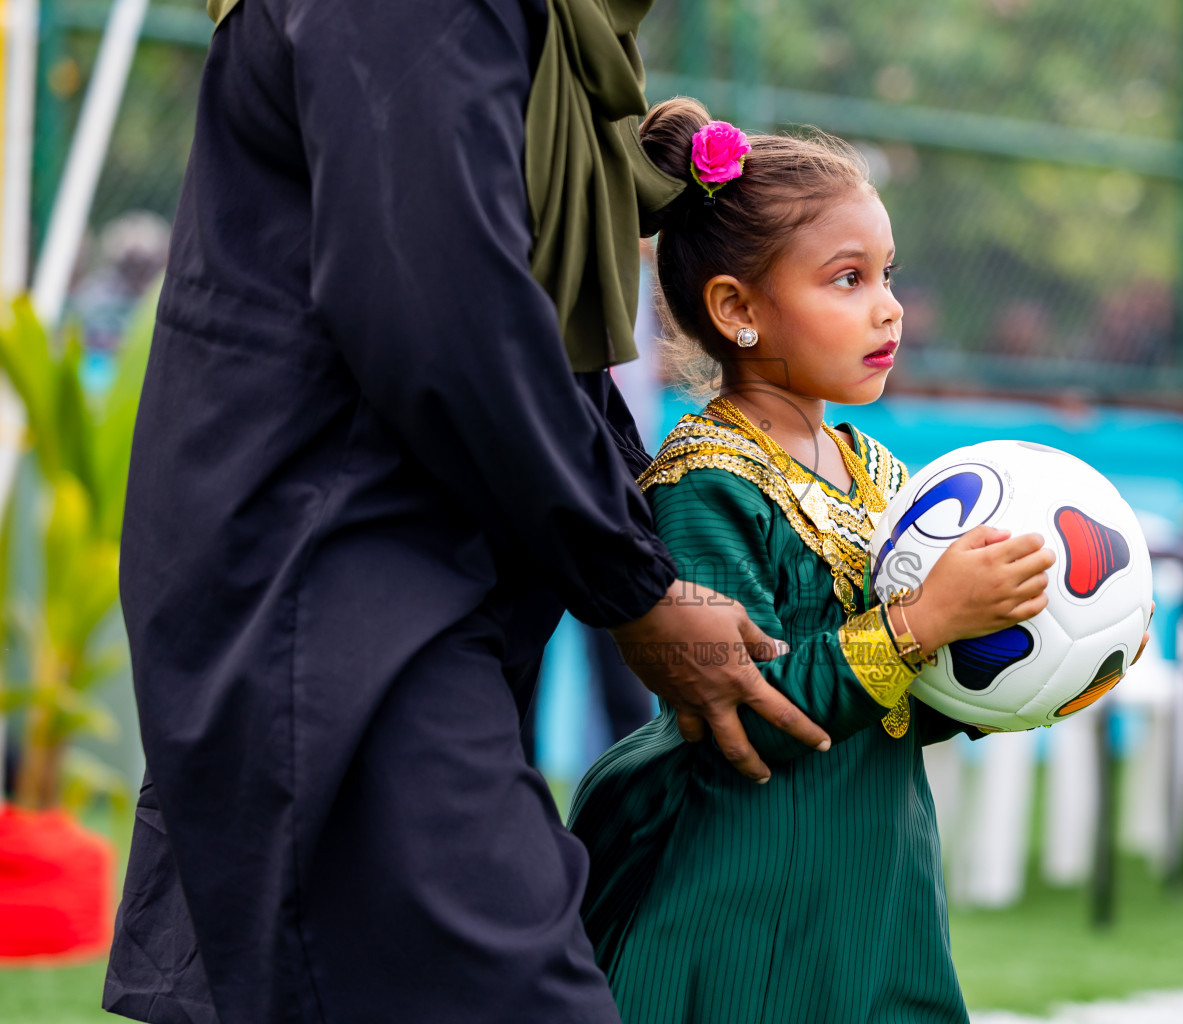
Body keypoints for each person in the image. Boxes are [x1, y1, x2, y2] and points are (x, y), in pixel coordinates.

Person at [103, 2, 829, 1022]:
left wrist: (642, 550)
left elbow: (509, 308)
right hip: (331, 577)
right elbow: (447, 306)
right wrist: (633, 583)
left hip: (398, 574)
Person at [569, 100, 1146, 1023]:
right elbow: (742, 724)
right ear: (738, 310)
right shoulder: (705, 485)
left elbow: (895, 710)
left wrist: (1030, 660)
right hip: (751, 916)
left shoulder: (883, 478)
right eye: (846, 279)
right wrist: (923, 624)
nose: (887, 306)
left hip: (879, 896)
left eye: (887, 275)